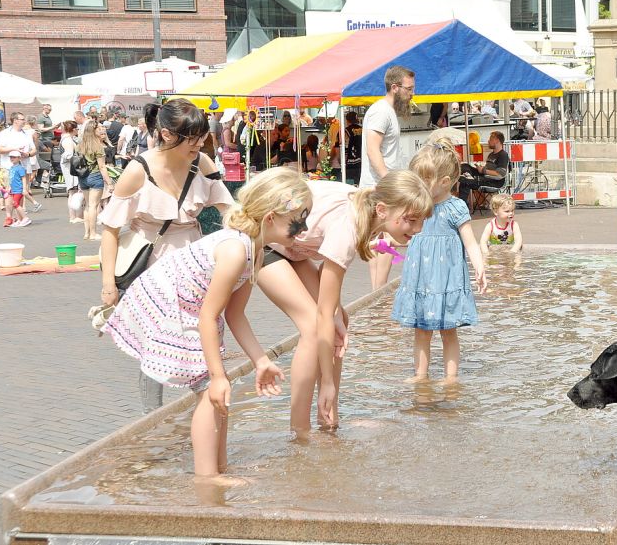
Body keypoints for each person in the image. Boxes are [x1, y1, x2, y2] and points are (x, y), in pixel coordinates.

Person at [104, 168, 308, 477]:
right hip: (169, 305)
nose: (303, 228)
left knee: (218, 391)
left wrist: (261, 360)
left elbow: (234, 314)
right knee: (210, 391)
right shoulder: (235, 250)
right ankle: (207, 478)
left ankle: (219, 468)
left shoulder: (253, 250)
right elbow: (208, 316)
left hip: (193, 308)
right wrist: (216, 376)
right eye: (298, 220)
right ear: (270, 218)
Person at [257, 170, 433, 437]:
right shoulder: (348, 227)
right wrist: (326, 380)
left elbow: (325, 282)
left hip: (293, 249)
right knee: (313, 326)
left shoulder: (365, 210)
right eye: (411, 220)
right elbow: (323, 313)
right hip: (264, 244)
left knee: (341, 321)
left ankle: (328, 419)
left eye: (421, 221)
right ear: (383, 209)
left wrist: (337, 315)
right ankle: (300, 433)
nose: (417, 229)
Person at [99, 99, 233, 413]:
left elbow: (229, 209)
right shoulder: (138, 170)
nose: (200, 144)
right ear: (168, 134)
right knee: (156, 344)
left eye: (202, 137)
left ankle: (207, 404)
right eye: (193, 137)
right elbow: (110, 230)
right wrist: (108, 285)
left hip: (194, 262)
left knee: (204, 328)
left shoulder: (203, 163)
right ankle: (153, 419)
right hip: (151, 263)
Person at [392, 140, 487, 383]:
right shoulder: (415, 206)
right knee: (421, 331)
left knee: (448, 332)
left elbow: (470, 242)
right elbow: (399, 233)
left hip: (446, 282)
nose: (417, 185)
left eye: (423, 180)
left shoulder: (455, 208)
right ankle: (421, 375)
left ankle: (450, 377)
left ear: (444, 182)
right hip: (421, 281)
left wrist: (479, 266)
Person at [361, 65, 416, 289]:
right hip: (379, 187)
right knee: (385, 240)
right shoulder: (381, 111)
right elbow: (373, 149)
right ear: (395, 88)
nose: (412, 93)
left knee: (378, 242)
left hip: (379, 186)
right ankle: (380, 295)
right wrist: (388, 182)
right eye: (409, 89)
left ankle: (376, 294)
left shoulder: (387, 111)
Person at [0, 113, 36, 213]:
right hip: (9, 167)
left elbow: (34, 149)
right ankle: (9, 216)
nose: (24, 121)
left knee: (22, 191)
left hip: (24, 165)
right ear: (15, 120)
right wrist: (14, 150)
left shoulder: (26, 134)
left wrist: (28, 154)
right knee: (9, 192)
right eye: (22, 119)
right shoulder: (5, 133)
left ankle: (20, 216)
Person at [459, 131, 509, 208]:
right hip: (485, 176)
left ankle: (461, 207)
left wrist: (483, 170)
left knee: (464, 181)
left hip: (494, 182)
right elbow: (487, 169)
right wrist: (480, 168)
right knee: (464, 166)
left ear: (497, 140)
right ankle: (468, 178)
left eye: (490, 139)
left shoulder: (503, 155)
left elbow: (500, 174)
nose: (488, 141)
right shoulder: (491, 154)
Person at [59, 121, 83, 224]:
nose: (77, 130)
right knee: (73, 192)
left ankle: (74, 216)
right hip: (71, 168)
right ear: (73, 129)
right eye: (77, 129)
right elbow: (68, 155)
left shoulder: (66, 138)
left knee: (72, 192)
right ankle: (74, 216)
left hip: (69, 167)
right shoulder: (68, 140)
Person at [5, 151, 31, 227]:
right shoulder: (12, 168)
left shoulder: (20, 168)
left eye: (14, 157)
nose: (12, 158)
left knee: (15, 204)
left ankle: (25, 218)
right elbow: (11, 179)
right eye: (11, 157)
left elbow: (23, 178)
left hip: (19, 189)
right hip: (14, 189)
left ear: (19, 158)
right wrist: (9, 187)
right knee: (17, 204)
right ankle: (20, 220)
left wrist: (24, 189)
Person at [342, 111, 363, 185]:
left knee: (349, 186)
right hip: (361, 162)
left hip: (350, 163)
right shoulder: (362, 129)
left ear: (347, 120)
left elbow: (345, 147)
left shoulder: (345, 131)